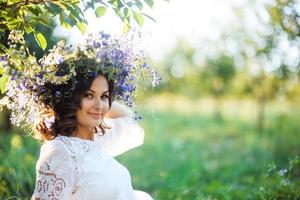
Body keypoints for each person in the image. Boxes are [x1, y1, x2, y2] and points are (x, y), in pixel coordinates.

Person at [0, 31, 158, 200]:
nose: (99, 105)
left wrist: (98, 99)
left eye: (105, 96)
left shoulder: (96, 141)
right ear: (69, 99)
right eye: (88, 95)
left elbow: (129, 121)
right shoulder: (61, 150)